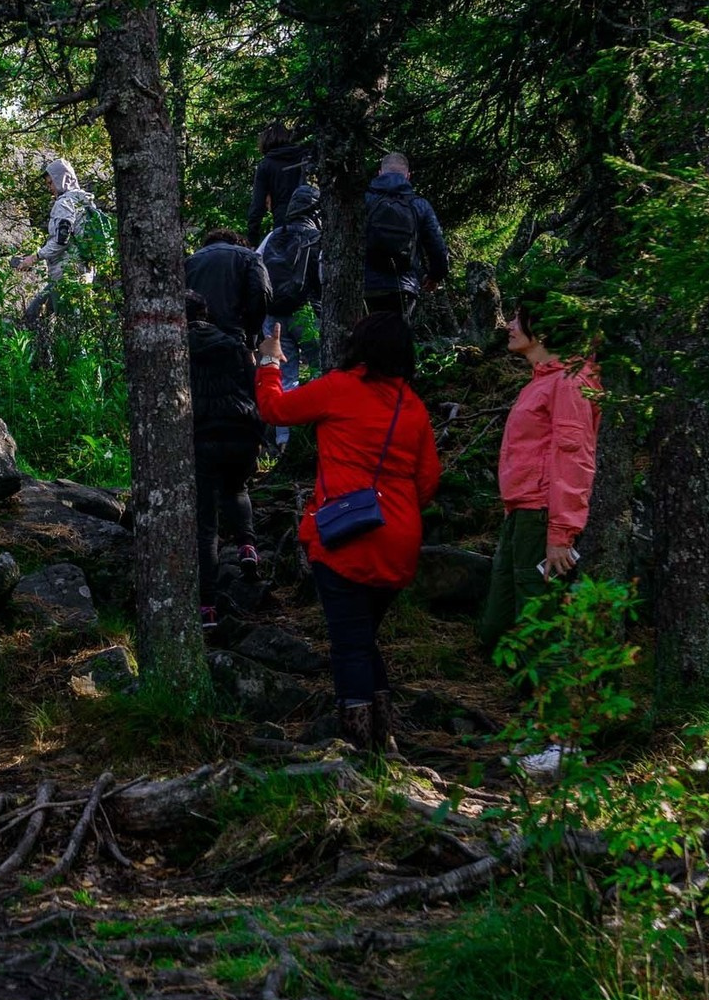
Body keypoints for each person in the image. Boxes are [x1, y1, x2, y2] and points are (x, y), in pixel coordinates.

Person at [255, 310, 443, 752]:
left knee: (350, 645)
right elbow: (429, 480)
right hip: (399, 537)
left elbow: (275, 409)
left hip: (344, 535)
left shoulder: (340, 388)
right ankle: (385, 740)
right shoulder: (411, 404)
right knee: (362, 637)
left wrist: (269, 363)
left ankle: (359, 748)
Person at [478, 291, 601, 655]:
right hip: (521, 515)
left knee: (538, 626)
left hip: (542, 517)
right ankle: (533, 704)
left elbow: (573, 458)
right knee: (499, 628)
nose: (509, 326)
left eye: (518, 318)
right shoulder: (543, 381)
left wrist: (561, 533)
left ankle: (552, 710)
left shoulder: (569, 383)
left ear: (542, 332)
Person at [187, 293, 265, 626]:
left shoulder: (171, 349)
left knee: (206, 525)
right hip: (240, 429)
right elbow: (253, 386)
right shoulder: (233, 344)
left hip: (203, 434)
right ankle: (247, 546)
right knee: (237, 488)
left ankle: (207, 607)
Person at [361, 153, 450, 318]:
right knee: (395, 338)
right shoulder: (419, 205)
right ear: (408, 176)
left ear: (380, 173)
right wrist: (435, 277)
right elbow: (438, 248)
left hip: (365, 284)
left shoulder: (363, 200)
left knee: (363, 337)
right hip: (403, 286)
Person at [16, 155, 100, 324]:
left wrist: (34, 258)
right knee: (34, 315)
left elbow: (62, 239)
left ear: (62, 179)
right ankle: (42, 347)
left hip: (65, 275)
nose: (50, 188)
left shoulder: (64, 203)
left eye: (51, 183)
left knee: (69, 328)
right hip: (84, 272)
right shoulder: (84, 201)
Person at [257, 183, 322, 391]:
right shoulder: (319, 238)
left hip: (274, 314)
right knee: (320, 371)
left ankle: (283, 422)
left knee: (283, 378)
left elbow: (256, 270)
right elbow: (324, 278)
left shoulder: (273, 236)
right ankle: (314, 421)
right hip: (308, 312)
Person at [186, 225, 273, 340]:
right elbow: (261, 290)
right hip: (233, 332)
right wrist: (252, 329)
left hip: (196, 335)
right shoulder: (248, 257)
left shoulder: (190, 261)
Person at [245, 124, 318, 241]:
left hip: (283, 222)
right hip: (312, 217)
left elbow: (257, 204)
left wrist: (252, 237)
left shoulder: (266, 165)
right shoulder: (306, 155)